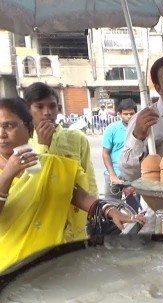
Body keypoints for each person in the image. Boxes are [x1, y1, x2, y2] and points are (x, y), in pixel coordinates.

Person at [0, 98, 143, 273]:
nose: (1, 133)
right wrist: (7, 175)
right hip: (9, 268)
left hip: (51, 263)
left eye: (8, 126)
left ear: (29, 130)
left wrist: (111, 211)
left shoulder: (52, 165)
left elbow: (77, 195)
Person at [24, 82, 98, 241]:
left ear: (58, 108)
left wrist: (95, 213)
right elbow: (30, 184)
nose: (47, 113)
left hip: (75, 223)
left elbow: (89, 179)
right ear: (28, 110)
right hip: (41, 225)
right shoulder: (25, 143)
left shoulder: (76, 138)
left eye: (52, 106)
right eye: (39, 107)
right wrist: (44, 147)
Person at [102, 98, 141, 211]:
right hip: (114, 174)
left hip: (133, 176)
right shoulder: (112, 129)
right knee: (111, 209)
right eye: (125, 114)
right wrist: (112, 175)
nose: (129, 116)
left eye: (132, 114)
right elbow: (105, 153)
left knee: (133, 211)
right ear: (119, 114)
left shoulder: (140, 130)